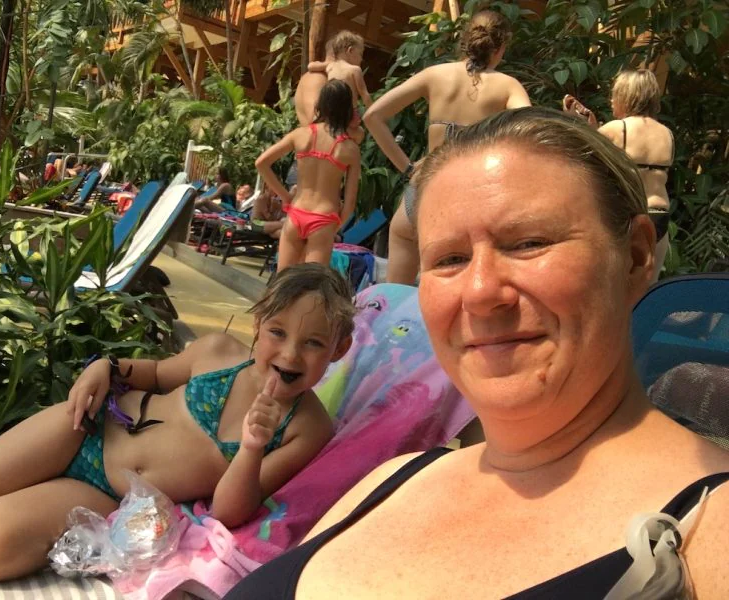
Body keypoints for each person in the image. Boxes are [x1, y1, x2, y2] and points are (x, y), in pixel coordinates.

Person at [226, 107, 729, 600]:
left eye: (529, 242)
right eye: (450, 258)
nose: (481, 291)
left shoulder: (711, 532)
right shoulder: (396, 478)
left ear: (636, 258)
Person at [0, 263, 355, 581]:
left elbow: (229, 510)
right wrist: (107, 367)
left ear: (339, 349)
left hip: (109, 494)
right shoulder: (219, 352)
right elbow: (152, 374)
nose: (290, 354)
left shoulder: (307, 428)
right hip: (84, 428)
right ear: (259, 325)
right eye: (278, 332)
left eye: (314, 343)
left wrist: (251, 447)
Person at [363, 9, 531, 285]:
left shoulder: (434, 75)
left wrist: (407, 168)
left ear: (465, 40)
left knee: (395, 289)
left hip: (424, 187)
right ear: (500, 48)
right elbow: (530, 129)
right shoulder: (507, 86)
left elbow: (373, 116)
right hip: (471, 195)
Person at [563, 69, 674, 281]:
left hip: (632, 214)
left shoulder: (618, 128)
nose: (611, 100)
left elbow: (584, 156)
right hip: (660, 213)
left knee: (616, 284)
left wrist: (575, 120)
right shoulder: (666, 134)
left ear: (626, 96)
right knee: (648, 286)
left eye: (614, 94)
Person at [255, 81, 361, 270]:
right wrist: (334, 227)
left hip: (296, 212)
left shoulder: (301, 135)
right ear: (346, 109)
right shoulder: (350, 149)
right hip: (324, 218)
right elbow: (350, 203)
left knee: (283, 280)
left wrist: (285, 196)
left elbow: (261, 163)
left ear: (321, 104)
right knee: (310, 283)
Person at [308, 30, 373, 141]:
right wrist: (373, 111)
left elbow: (310, 66)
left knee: (319, 122)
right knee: (360, 134)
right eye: (360, 54)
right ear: (350, 50)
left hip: (330, 112)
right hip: (348, 114)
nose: (361, 59)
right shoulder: (355, 70)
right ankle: (344, 142)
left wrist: (326, 64)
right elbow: (364, 94)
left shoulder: (331, 66)